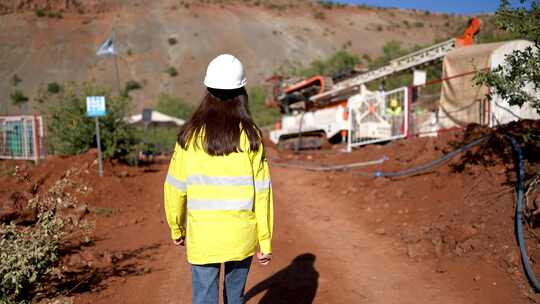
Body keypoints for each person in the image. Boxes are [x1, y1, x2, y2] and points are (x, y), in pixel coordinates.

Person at [163, 54, 274, 304]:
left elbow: (175, 188)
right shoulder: (251, 135)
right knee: (235, 297)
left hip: (204, 237)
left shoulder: (190, 135)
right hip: (241, 235)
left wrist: (176, 226)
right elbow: (263, 193)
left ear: (207, 90)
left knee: (204, 298)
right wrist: (264, 241)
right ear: (241, 91)